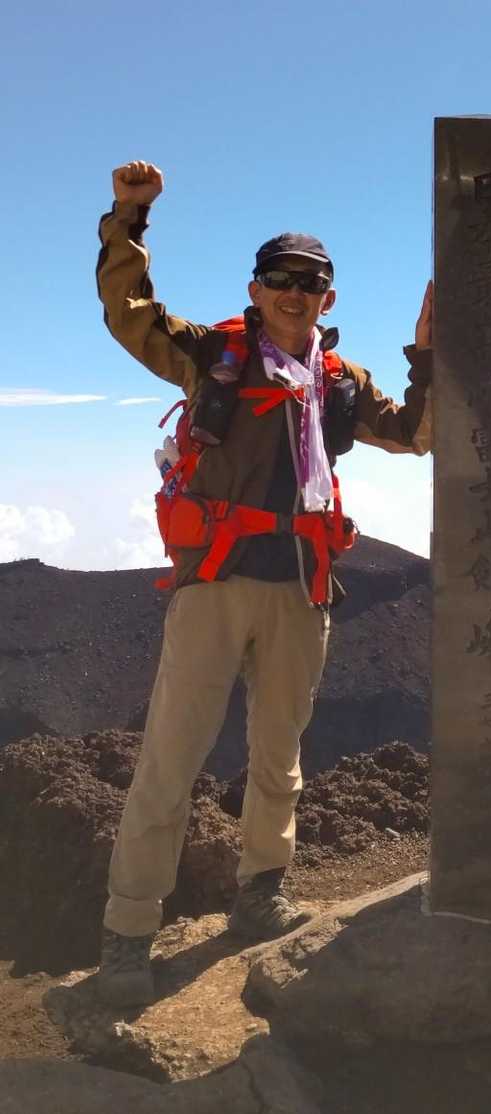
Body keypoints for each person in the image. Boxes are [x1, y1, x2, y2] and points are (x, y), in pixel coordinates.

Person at [95, 161, 433, 1008]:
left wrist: (426, 357)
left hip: (301, 588)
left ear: (327, 296)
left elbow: (415, 434)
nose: (294, 293)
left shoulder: (338, 381)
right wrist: (129, 219)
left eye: (309, 282)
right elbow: (129, 315)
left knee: (279, 757)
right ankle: (128, 933)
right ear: (255, 289)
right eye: (280, 279)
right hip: (215, 583)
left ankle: (260, 896)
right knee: (171, 761)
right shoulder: (216, 357)